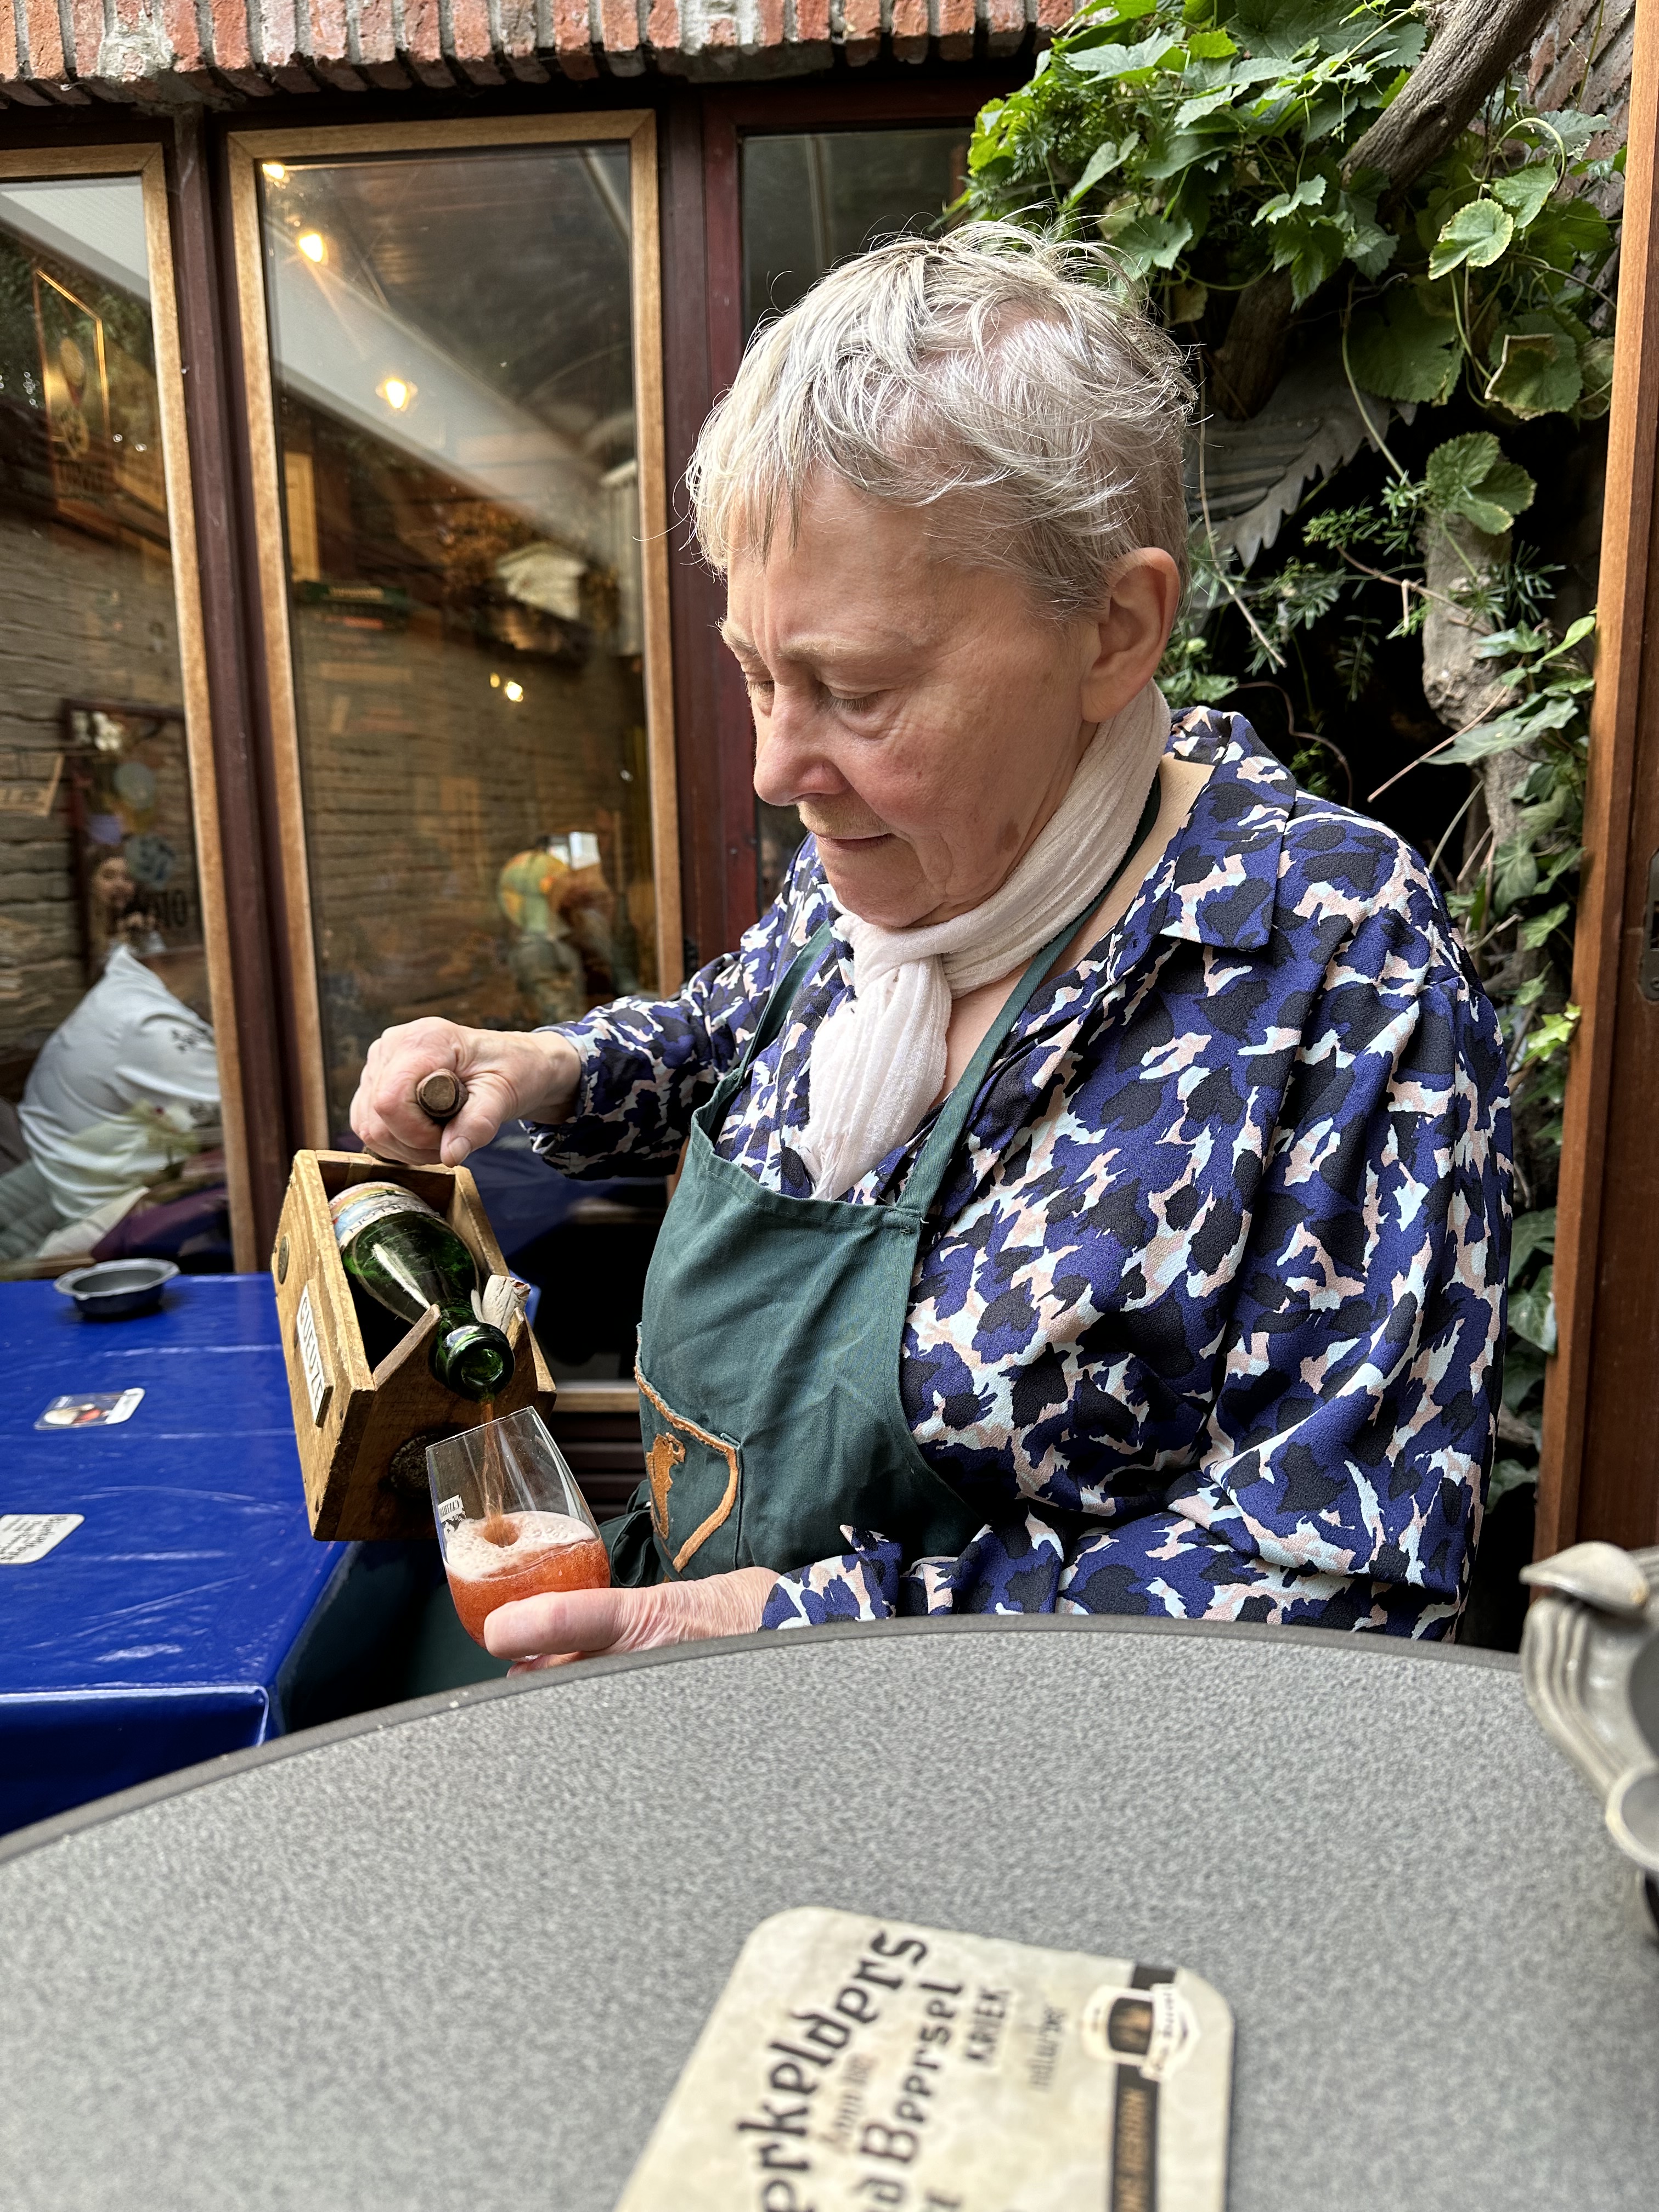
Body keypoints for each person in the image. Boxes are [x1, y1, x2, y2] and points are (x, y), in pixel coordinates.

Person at [353, 224, 1511, 1669]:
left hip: (1001, 1784)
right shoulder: (881, 872)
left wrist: (796, 1630)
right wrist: (554, 1065)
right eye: (758, 673)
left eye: (855, 690)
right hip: (672, 1680)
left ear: (1115, 631)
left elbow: (1337, 1587)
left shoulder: (1336, 962)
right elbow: (735, 1027)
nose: (777, 769)